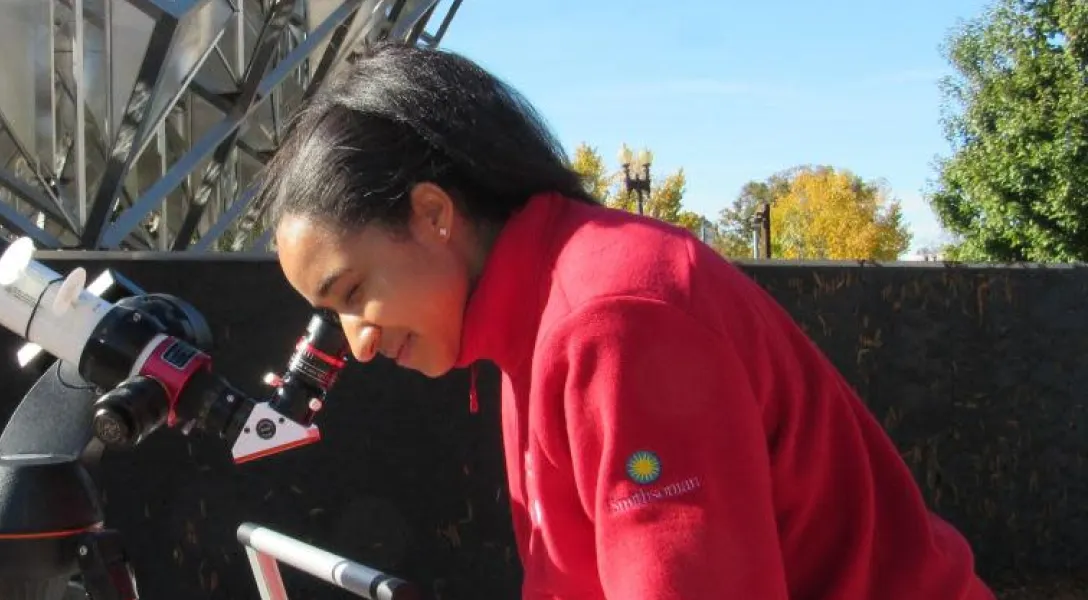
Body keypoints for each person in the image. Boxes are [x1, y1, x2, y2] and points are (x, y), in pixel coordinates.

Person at [255, 41, 996, 600]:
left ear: (431, 214)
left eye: (352, 291)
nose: (357, 342)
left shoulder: (610, 320)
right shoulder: (538, 317)